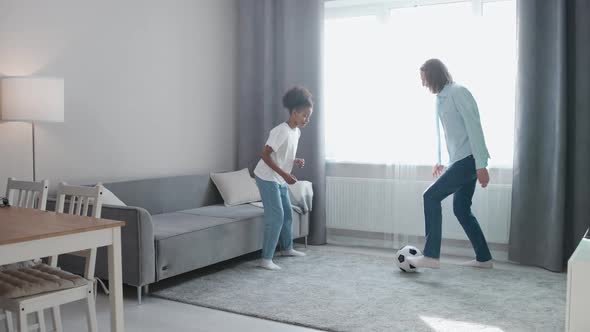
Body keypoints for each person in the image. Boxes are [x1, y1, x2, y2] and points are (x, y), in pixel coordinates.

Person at [407, 59, 493, 269]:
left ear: (435, 75)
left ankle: (431, 256)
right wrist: (441, 160)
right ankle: (484, 258)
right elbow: (446, 133)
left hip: (469, 160)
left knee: (430, 196)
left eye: (424, 78)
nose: (423, 83)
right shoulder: (441, 99)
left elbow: (474, 127)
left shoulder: (458, 92)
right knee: (461, 209)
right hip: (460, 160)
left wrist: (481, 165)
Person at [253, 86, 313, 270]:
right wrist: (286, 174)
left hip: (278, 178)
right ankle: (266, 259)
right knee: (277, 216)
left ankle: (287, 248)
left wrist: (294, 161)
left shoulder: (296, 132)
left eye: (309, 116)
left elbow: (281, 154)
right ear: (294, 112)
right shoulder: (281, 130)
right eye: (304, 115)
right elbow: (264, 155)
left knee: (288, 212)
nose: (306, 120)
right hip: (266, 177)